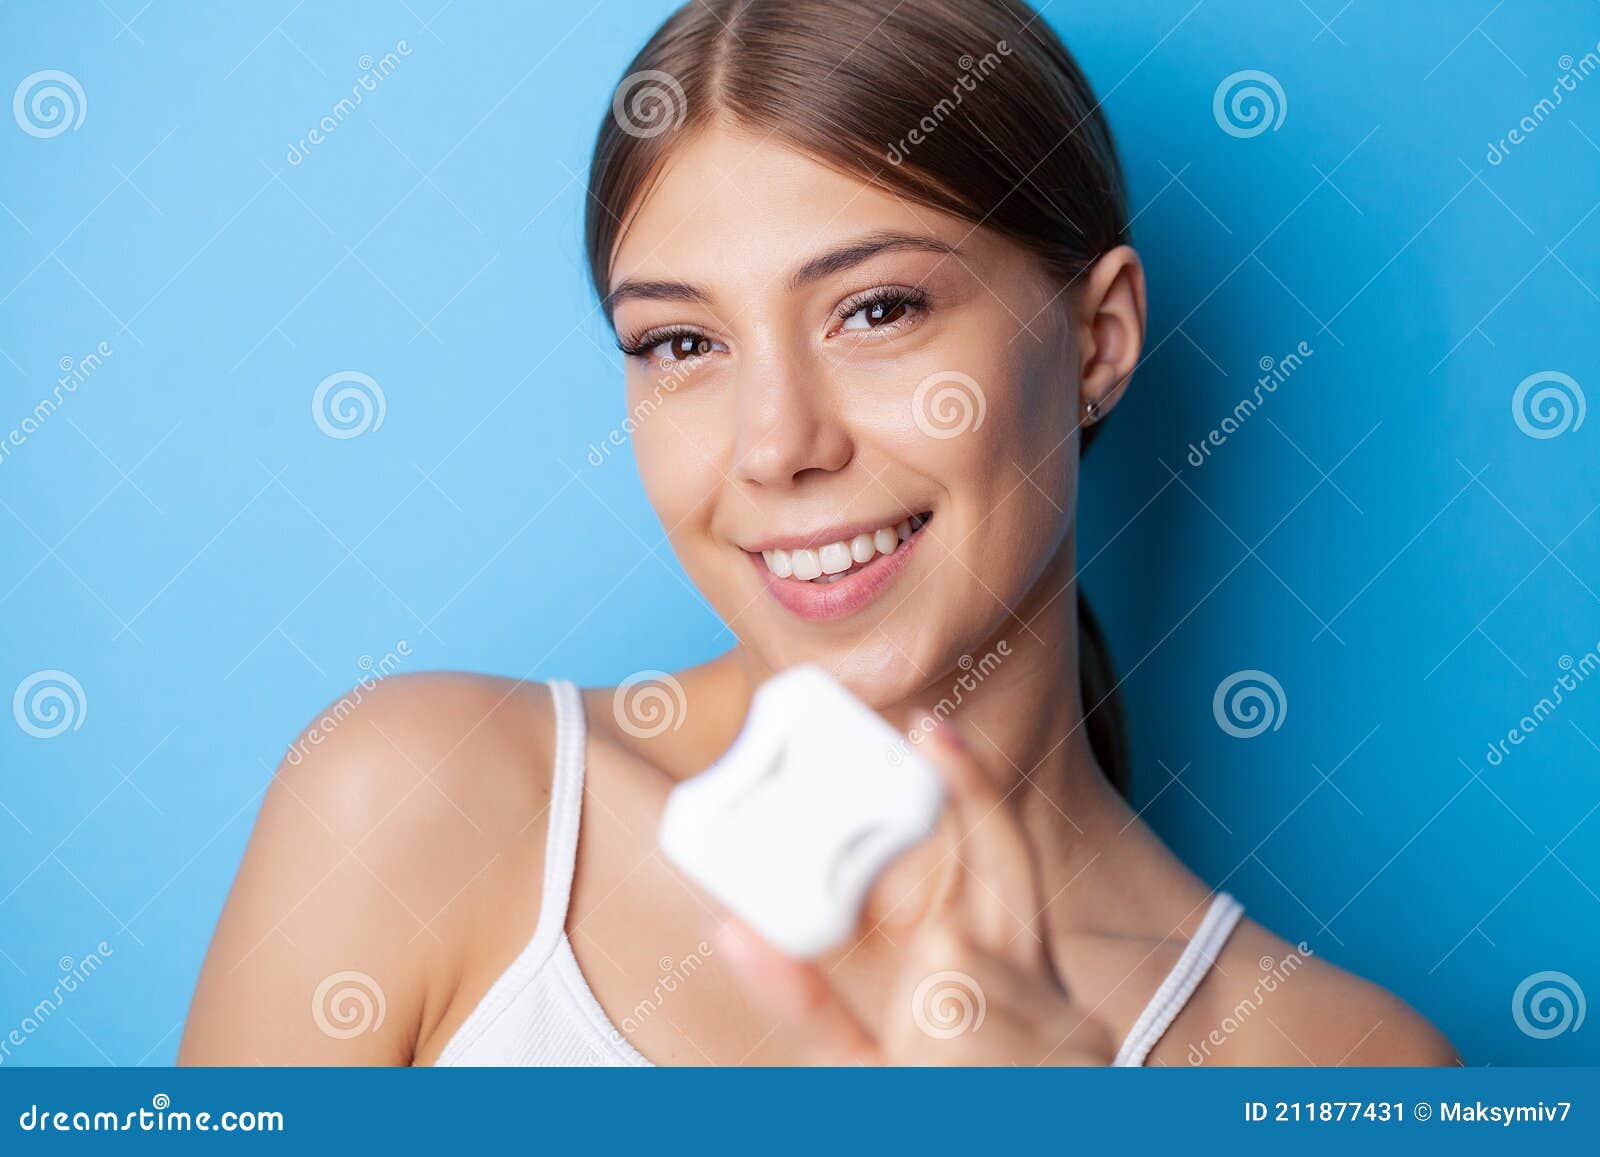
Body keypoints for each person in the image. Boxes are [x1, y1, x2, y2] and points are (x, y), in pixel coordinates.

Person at [181, 0, 1456, 1066]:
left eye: (877, 308)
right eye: (683, 342)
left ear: (1097, 341)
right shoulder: (419, 802)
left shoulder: (1341, 1064)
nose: (775, 443)